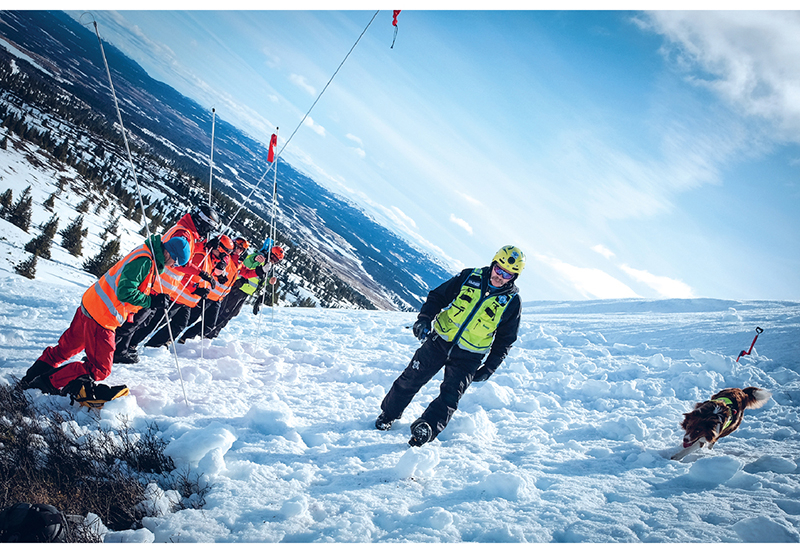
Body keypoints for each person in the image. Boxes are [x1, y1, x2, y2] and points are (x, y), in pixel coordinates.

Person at [375, 245, 525, 447]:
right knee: (411, 378)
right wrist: (425, 318)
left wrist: (489, 367)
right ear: (493, 264)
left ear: (513, 277)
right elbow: (438, 296)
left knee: (450, 397)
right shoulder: (469, 277)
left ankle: (425, 430)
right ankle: (388, 415)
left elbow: (505, 340)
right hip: (439, 341)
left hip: (469, 357)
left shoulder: (511, 302)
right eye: (499, 269)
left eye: (507, 274)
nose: (500, 276)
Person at [19, 235, 190, 395]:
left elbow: (128, 284)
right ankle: (45, 383)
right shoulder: (146, 261)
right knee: (100, 369)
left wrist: (154, 297)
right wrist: (152, 302)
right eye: (175, 261)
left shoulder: (145, 252)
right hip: (102, 317)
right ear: (168, 252)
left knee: (63, 350)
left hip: (91, 304)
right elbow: (125, 292)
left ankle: (27, 381)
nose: (174, 266)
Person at [113, 204, 219, 364]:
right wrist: (200, 272)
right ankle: (109, 350)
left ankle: (120, 349)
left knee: (139, 321)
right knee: (134, 321)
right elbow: (180, 260)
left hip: (160, 285)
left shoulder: (188, 232)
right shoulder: (184, 233)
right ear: (200, 222)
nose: (206, 232)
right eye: (207, 228)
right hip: (157, 284)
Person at [143, 233, 233, 349]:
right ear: (219, 247)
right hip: (177, 296)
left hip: (186, 300)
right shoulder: (201, 256)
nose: (224, 255)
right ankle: (135, 343)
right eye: (224, 252)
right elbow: (185, 276)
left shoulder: (211, 258)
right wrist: (195, 289)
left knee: (180, 324)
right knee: (155, 321)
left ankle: (155, 345)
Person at [203, 239, 284, 339]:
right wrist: (255, 260)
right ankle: (208, 332)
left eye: (276, 260)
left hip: (246, 292)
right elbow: (246, 264)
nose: (273, 260)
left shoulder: (268, 265)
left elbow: (260, 279)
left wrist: (268, 282)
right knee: (224, 312)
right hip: (239, 288)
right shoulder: (259, 257)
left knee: (232, 313)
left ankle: (213, 332)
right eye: (273, 256)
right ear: (269, 252)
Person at [179, 236, 249, 343]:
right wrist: (220, 272)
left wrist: (261, 270)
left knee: (209, 325)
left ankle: (185, 338)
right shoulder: (226, 257)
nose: (238, 250)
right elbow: (218, 267)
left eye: (241, 249)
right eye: (237, 246)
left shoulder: (238, 263)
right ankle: (171, 335)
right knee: (189, 318)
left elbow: (248, 272)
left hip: (218, 298)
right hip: (207, 293)